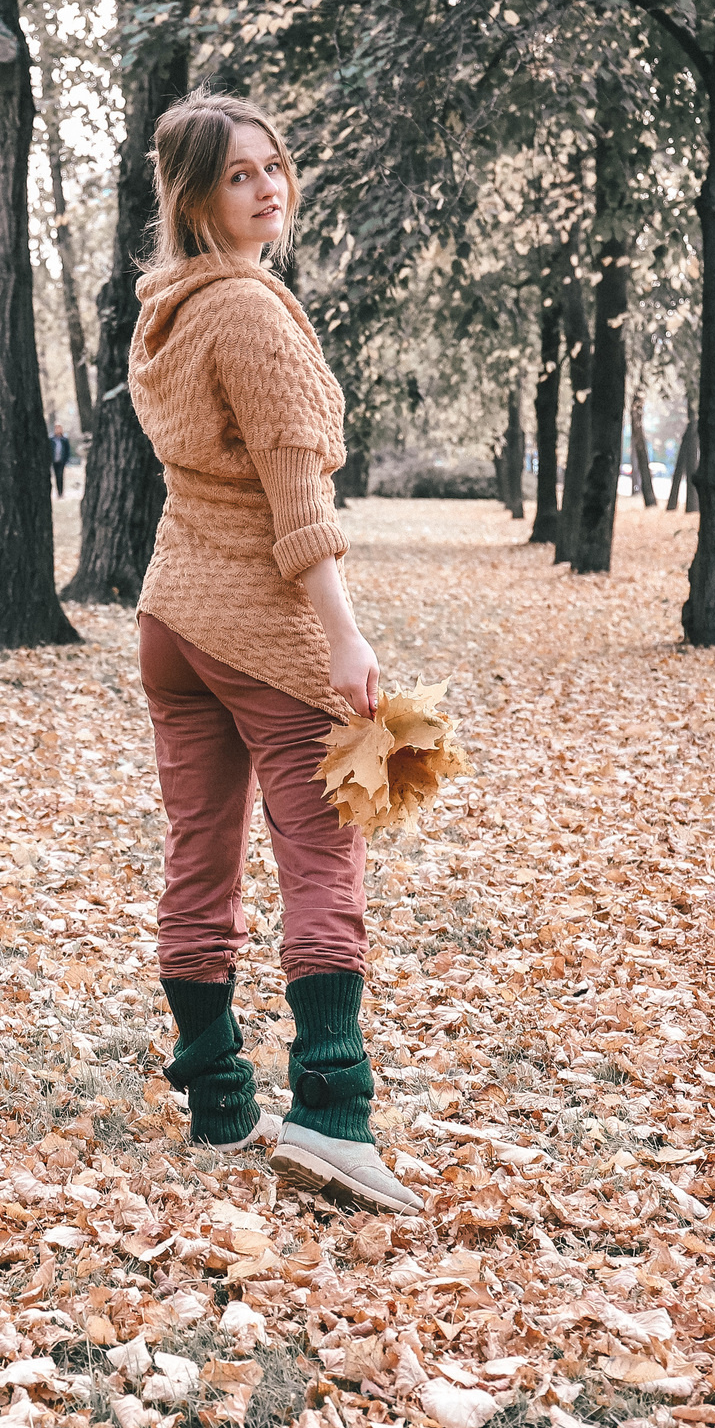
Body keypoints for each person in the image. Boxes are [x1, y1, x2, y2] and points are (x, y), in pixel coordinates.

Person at [126, 91, 422, 1216]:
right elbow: (298, 506)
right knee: (322, 861)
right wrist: (343, 639)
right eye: (241, 174)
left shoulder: (163, 312)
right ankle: (332, 1116)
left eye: (275, 166)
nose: (268, 187)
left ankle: (215, 1102)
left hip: (173, 622)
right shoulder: (247, 311)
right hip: (258, 629)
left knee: (198, 861)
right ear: (195, 195)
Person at [50, 423, 74, 497]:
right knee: (56, 476)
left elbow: (67, 450)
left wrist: (67, 459)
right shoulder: (51, 439)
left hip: (61, 461)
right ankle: (57, 492)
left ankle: (61, 492)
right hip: (54, 461)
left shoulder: (64, 440)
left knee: (60, 475)